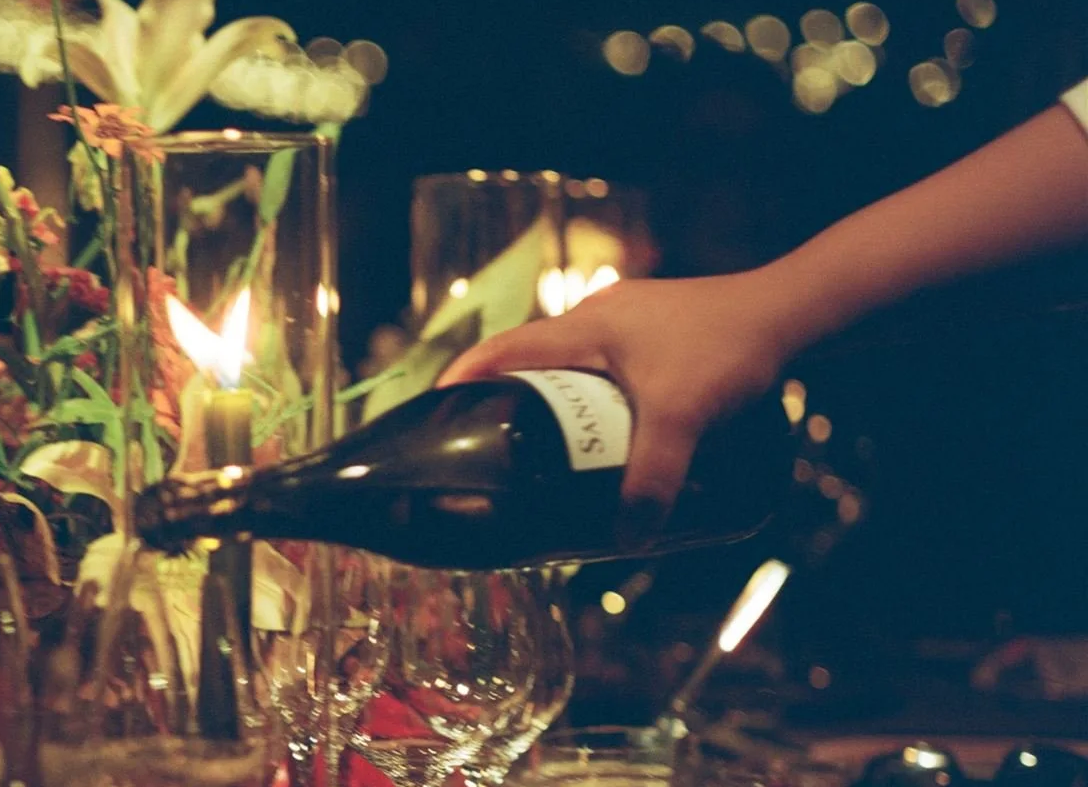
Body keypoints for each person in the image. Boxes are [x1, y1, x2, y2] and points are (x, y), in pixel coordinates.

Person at [441, 83, 1088, 536]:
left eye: (757, 163)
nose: (737, 192)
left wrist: (772, 306)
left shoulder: (911, 369)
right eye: (709, 163)